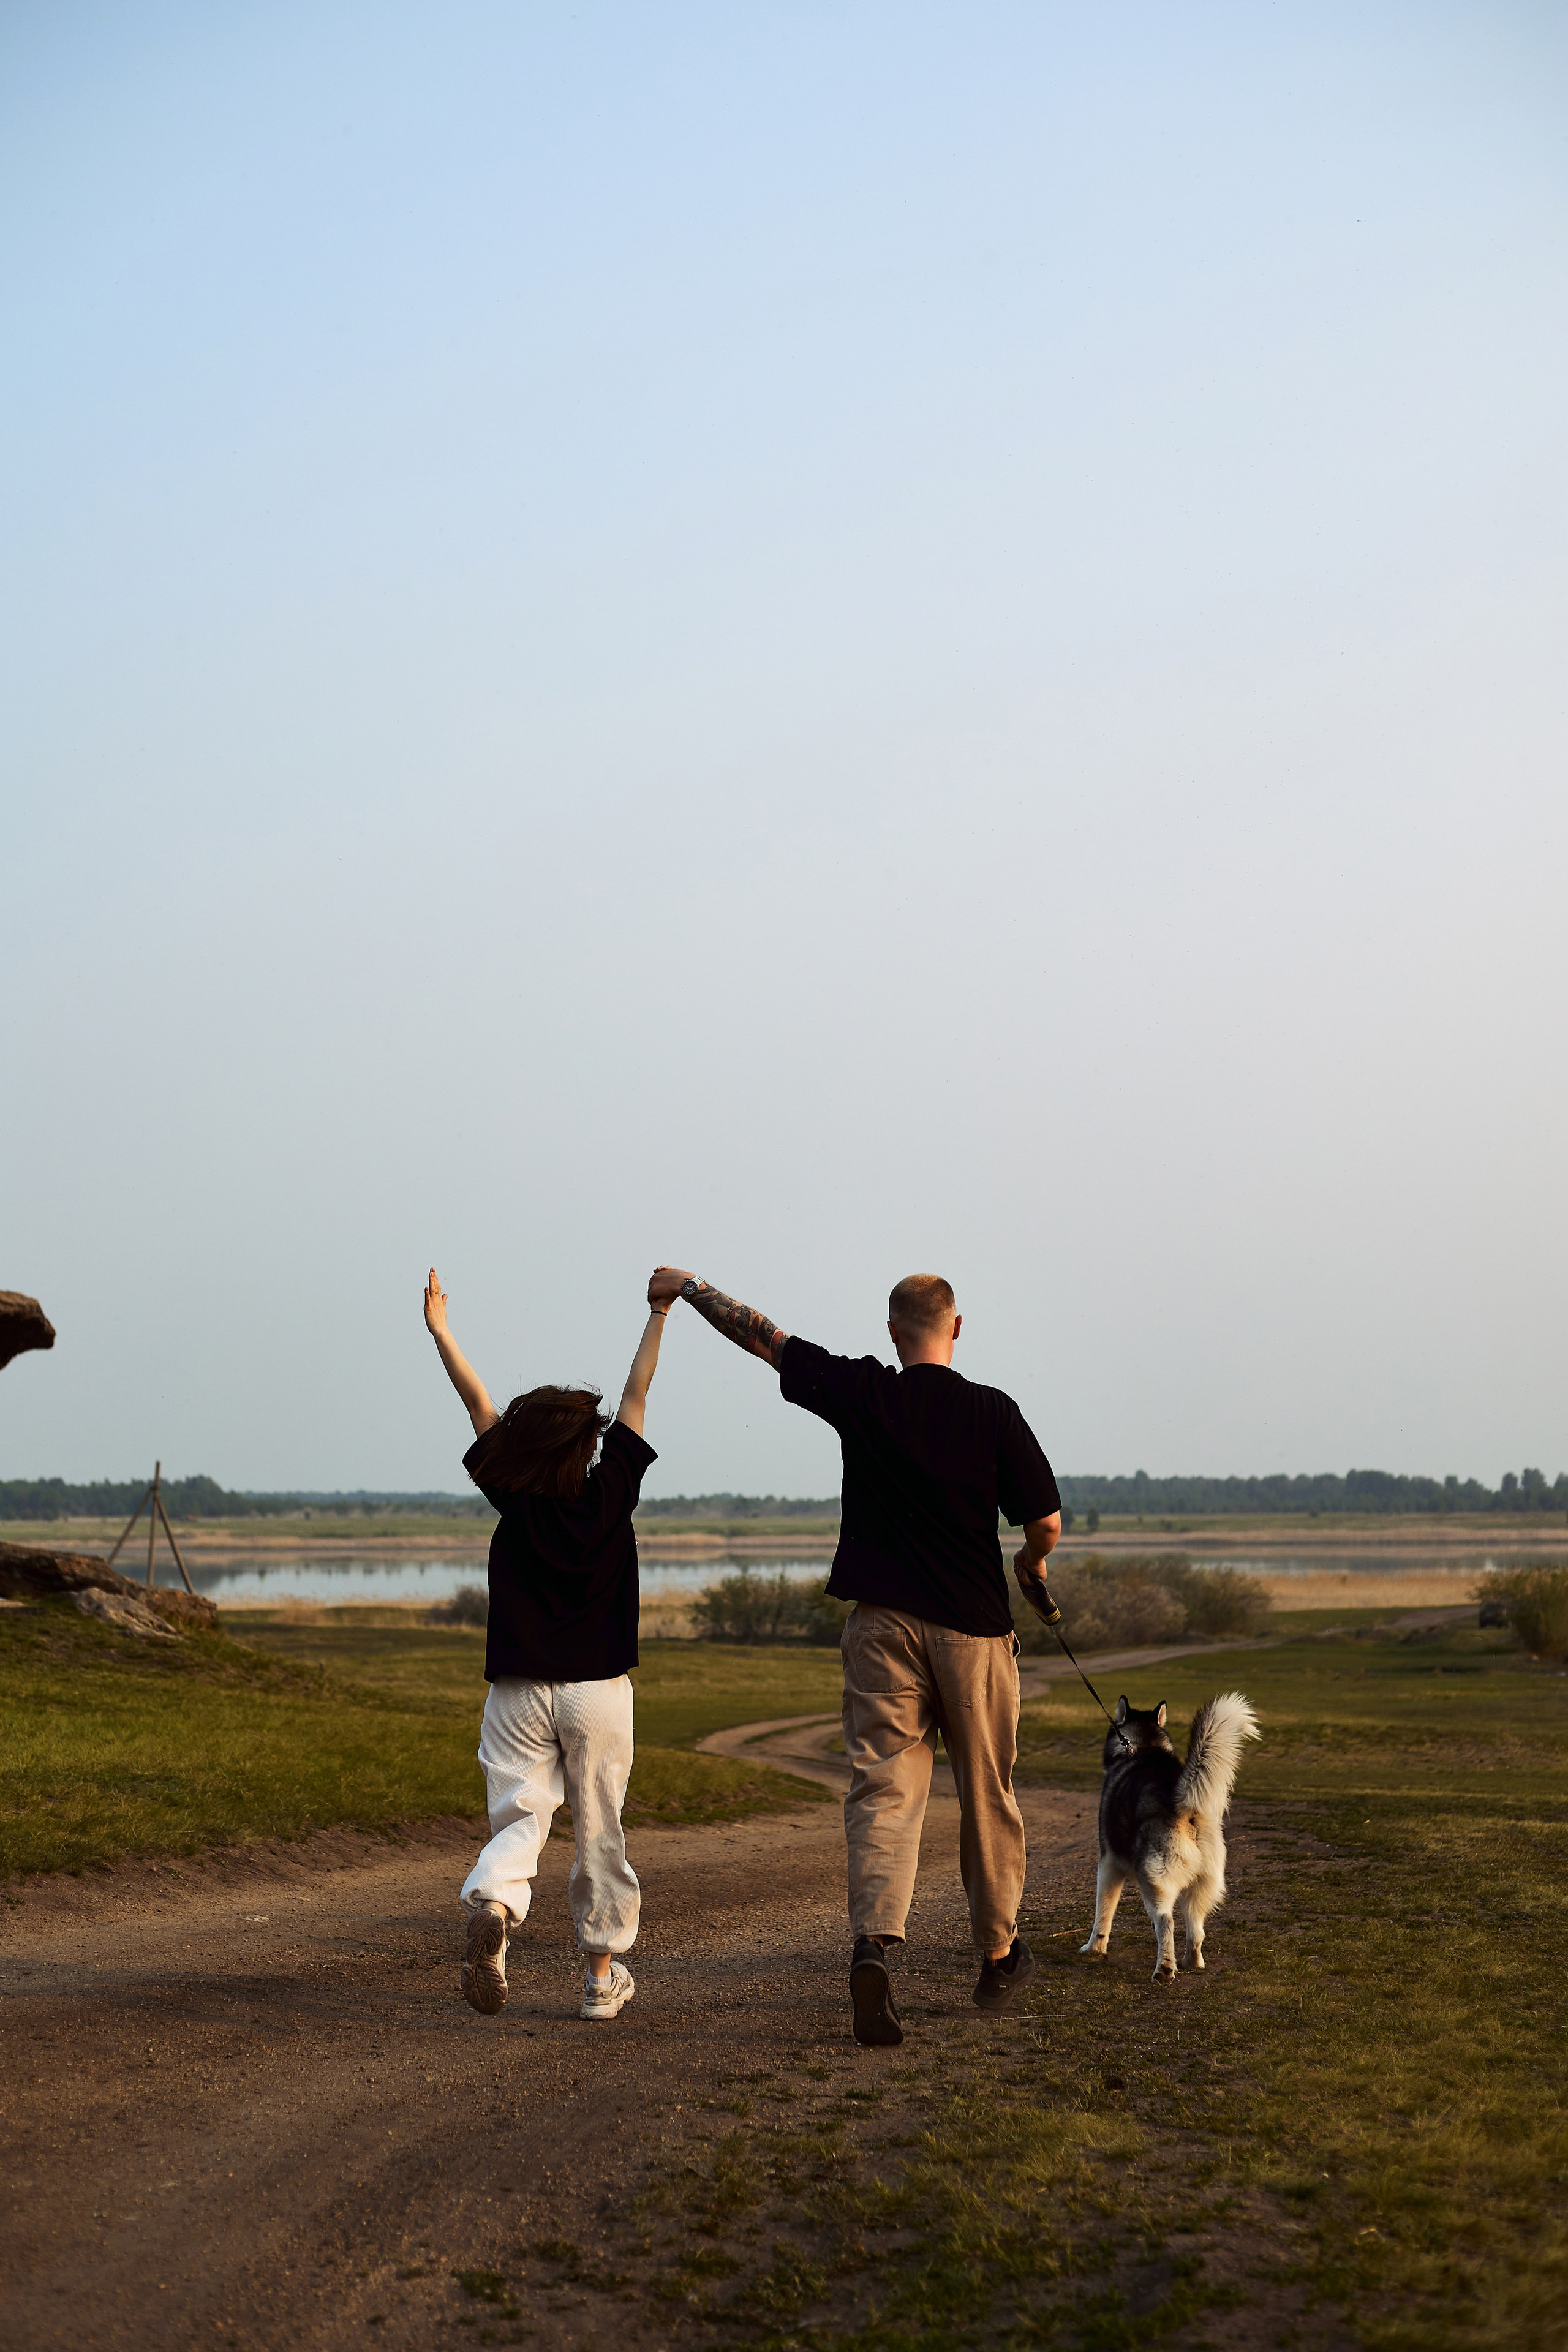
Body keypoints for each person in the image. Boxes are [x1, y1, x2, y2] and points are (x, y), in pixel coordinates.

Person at [647, 1265, 1061, 2047]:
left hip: (881, 1628)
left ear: (892, 1335)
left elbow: (763, 1338)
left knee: (883, 1790)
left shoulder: (863, 1391)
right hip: (972, 1631)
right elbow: (1044, 1520)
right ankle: (999, 1955)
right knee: (986, 1790)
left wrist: (692, 1287)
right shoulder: (992, 1411)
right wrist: (1031, 1567)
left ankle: (873, 1947)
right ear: (957, 1328)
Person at [423, 1266, 669, 2023]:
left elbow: (476, 1401)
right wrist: (658, 1313)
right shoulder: (611, 1491)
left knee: (521, 1820)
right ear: (589, 1445)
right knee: (599, 1829)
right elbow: (637, 1392)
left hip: (517, 1691)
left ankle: (496, 1907)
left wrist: (440, 1330)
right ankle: (600, 1981)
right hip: (596, 1690)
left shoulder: (514, 1492)